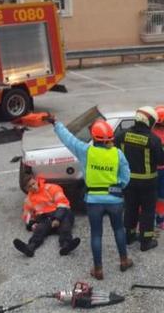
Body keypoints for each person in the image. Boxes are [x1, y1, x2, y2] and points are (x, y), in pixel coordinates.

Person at [49, 115, 132, 280]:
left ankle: (98, 269)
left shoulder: (86, 151)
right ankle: (123, 260)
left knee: (96, 234)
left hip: (94, 201)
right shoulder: (118, 154)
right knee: (118, 230)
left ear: (94, 137)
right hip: (115, 200)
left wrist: (56, 123)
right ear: (109, 138)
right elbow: (126, 178)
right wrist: (117, 186)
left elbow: (69, 139)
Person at [116, 106, 164, 251]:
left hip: (128, 181)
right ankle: (146, 241)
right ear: (150, 122)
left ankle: (129, 236)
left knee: (130, 207)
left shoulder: (121, 135)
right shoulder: (154, 139)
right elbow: (163, 161)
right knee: (147, 210)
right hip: (148, 182)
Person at [13, 175, 82, 257]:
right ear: (26, 189)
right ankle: (30, 248)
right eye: (30, 186)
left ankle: (66, 245)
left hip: (61, 213)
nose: (33, 187)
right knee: (39, 230)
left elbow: (63, 203)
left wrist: (57, 219)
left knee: (65, 226)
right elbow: (27, 215)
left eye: (33, 183)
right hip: (46, 218)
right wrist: (31, 224)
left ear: (36, 181)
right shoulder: (28, 200)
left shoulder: (51, 188)